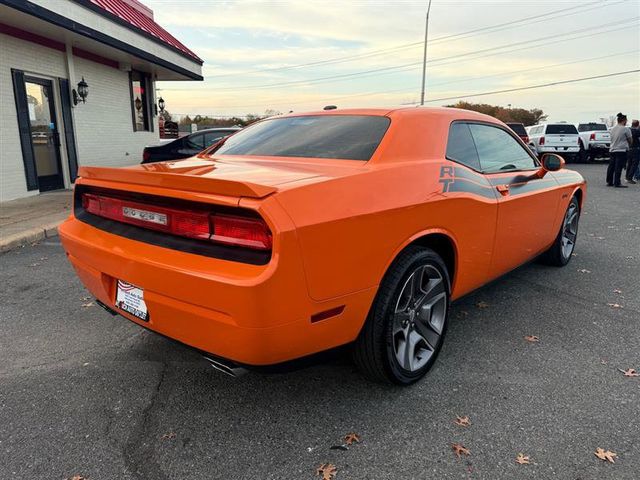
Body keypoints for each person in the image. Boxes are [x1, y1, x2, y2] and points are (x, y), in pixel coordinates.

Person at [607, 113, 632, 188]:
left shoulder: (612, 129)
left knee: (611, 166)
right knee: (618, 167)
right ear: (624, 120)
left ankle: (609, 181)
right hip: (621, 150)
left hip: (612, 149)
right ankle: (617, 182)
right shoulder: (625, 129)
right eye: (626, 120)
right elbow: (630, 140)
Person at [627, 119, 640, 184]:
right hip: (636, 149)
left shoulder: (628, 130)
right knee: (635, 164)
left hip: (629, 149)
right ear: (638, 124)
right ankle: (630, 178)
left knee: (629, 163)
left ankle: (627, 177)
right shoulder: (637, 131)